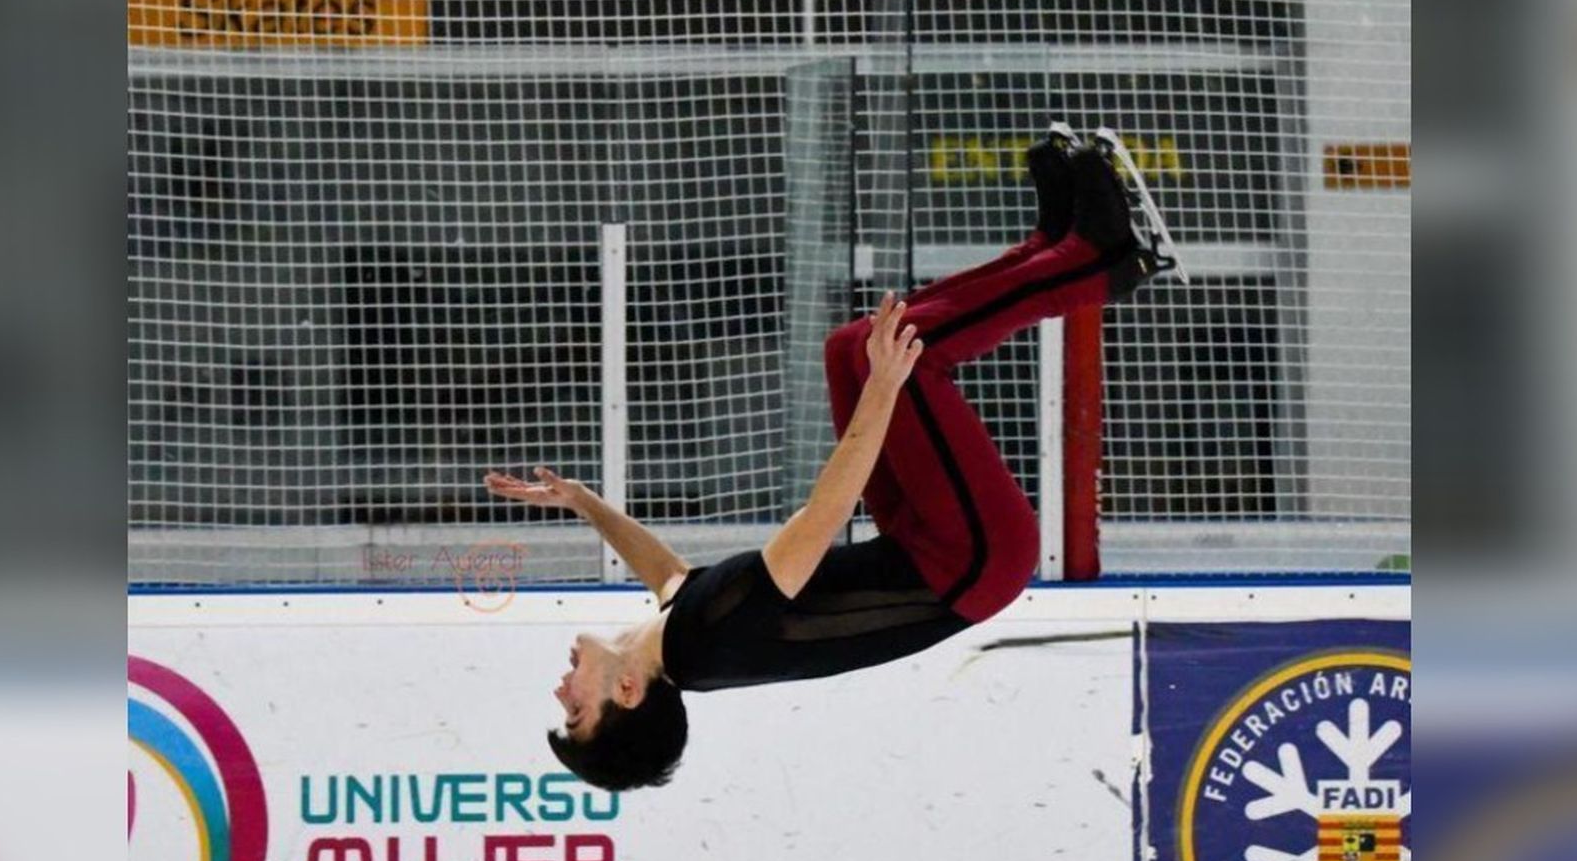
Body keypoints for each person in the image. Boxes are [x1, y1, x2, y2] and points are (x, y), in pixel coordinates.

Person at [485, 126, 1172, 791]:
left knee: (850, 347)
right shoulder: (708, 643)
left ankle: (1052, 252)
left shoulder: (674, 640)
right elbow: (824, 516)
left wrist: (585, 502)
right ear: (627, 691)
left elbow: (668, 576)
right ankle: (1092, 265)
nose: (561, 689)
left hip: (920, 545)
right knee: (904, 355)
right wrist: (884, 388)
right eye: (574, 709)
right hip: (971, 561)